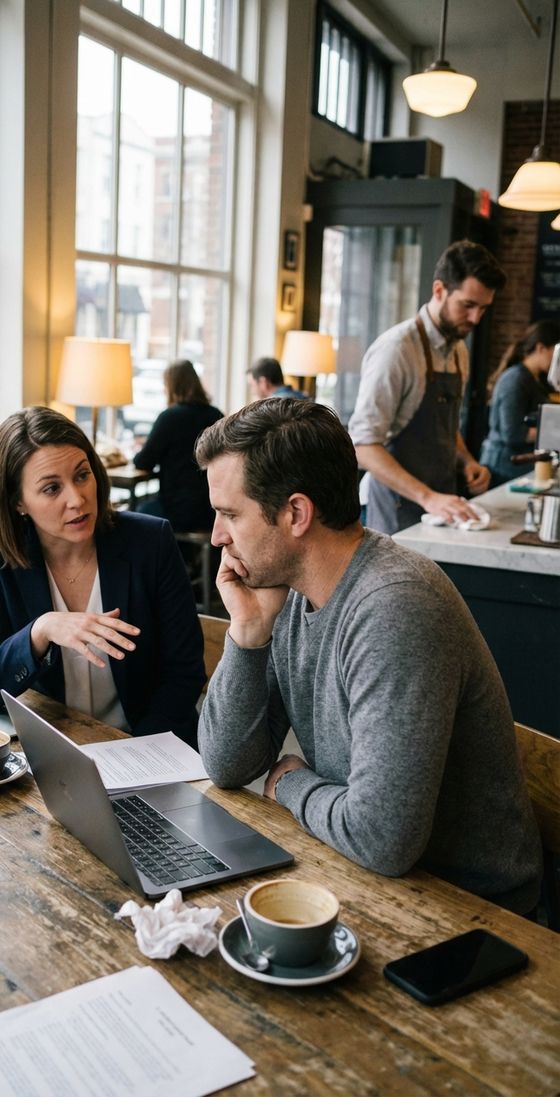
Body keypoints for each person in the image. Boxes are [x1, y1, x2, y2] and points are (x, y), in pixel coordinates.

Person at [194, 397, 542, 915]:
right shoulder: (287, 590)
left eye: (229, 515)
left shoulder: (395, 607)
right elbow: (226, 764)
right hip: (371, 875)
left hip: (469, 913)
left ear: (295, 513)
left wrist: (291, 783)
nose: (218, 536)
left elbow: (381, 837)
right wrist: (247, 636)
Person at [0, 406, 205, 746]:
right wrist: (40, 630)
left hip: (148, 745)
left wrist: (135, 754)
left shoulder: (151, 542)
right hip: (56, 753)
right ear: (18, 502)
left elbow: (184, 673)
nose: (77, 500)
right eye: (51, 489)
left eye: (82, 475)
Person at [349, 239, 506, 534]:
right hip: (397, 506)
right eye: (467, 305)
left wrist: (467, 461)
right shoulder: (396, 350)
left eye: (483, 308)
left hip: (442, 503)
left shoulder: (459, 351)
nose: (475, 318)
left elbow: (445, 428)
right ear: (439, 290)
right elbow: (363, 446)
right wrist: (428, 497)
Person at [133, 359, 223, 531]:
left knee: (136, 514)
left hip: (178, 509)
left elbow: (143, 462)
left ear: (172, 386)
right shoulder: (216, 415)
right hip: (211, 508)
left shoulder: (170, 417)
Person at [479, 319, 560, 486]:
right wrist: (552, 432)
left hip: (521, 466)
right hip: (504, 467)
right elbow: (513, 433)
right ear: (541, 348)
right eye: (556, 354)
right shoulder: (516, 379)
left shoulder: (537, 379)